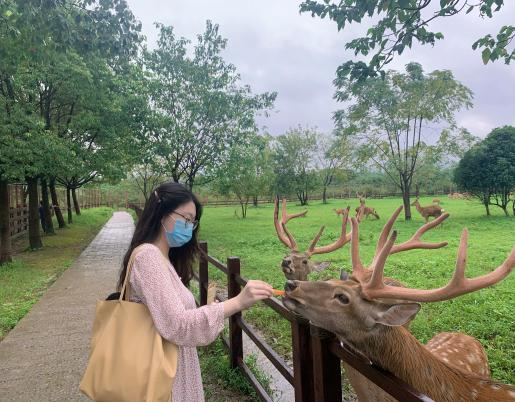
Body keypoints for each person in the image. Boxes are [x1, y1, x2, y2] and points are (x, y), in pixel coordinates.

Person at [117, 181, 273, 402]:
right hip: (163, 378)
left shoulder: (163, 259)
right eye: (186, 218)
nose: (189, 227)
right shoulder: (148, 257)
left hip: (172, 367)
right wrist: (238, 302)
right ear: (162, 214)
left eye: (193, 222)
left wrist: (209, 309)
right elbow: (178, 325)